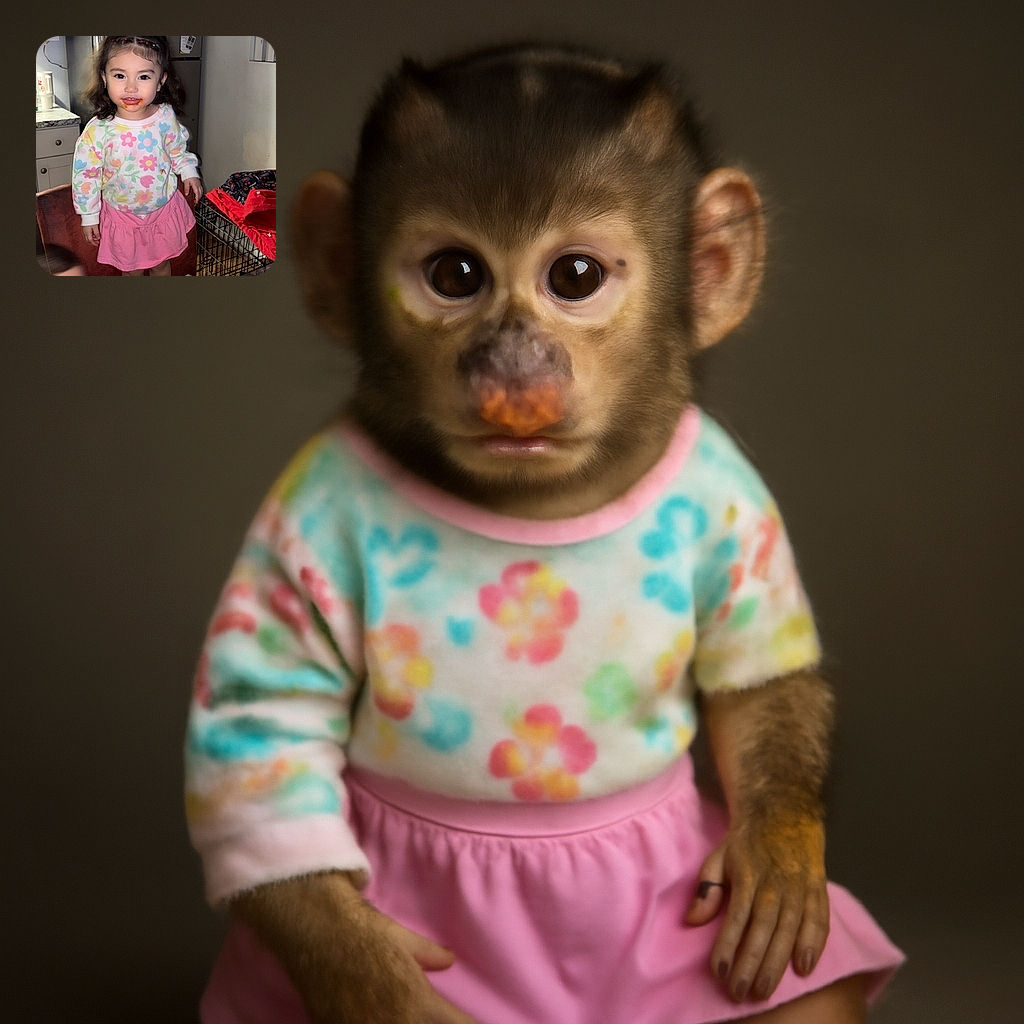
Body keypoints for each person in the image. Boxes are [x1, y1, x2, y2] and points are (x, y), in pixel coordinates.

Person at [71, 36, 202, 276]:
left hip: (162, 211)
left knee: (161, 265)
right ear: (104, 77)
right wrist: (89, 215)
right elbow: (86, 176)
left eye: (143, 76)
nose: (131, 87)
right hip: (123, 218)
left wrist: (188, 170)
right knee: (131, 271)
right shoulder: (98, 130)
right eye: (120, 76)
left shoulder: (164, 116)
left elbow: (176, 147)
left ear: (160, 81)